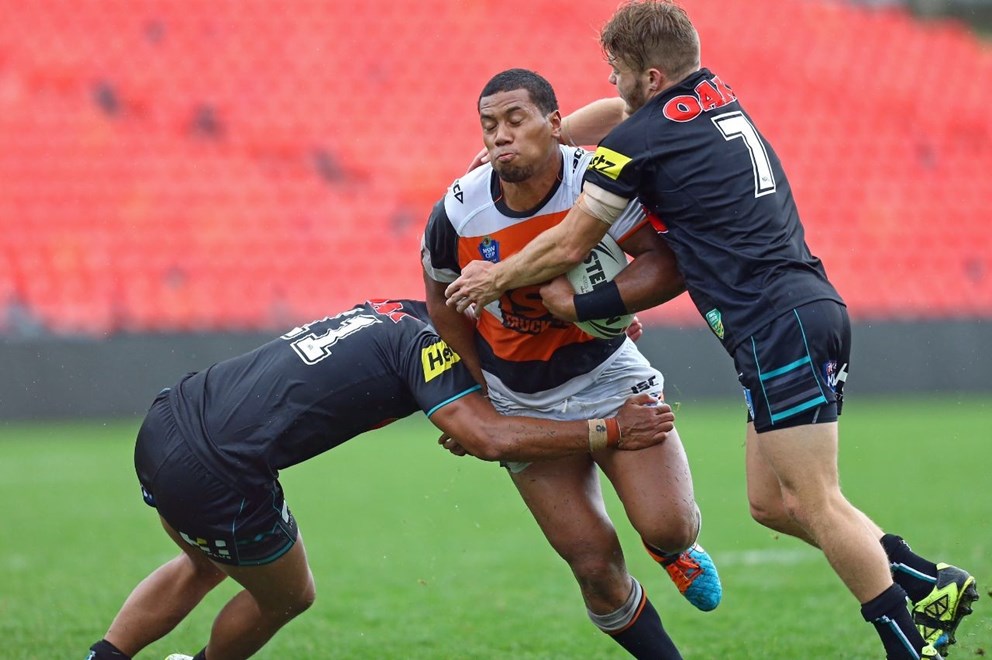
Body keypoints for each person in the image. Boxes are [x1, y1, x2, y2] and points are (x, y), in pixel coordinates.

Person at [442, 3, 978, 659]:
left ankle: (907, 644)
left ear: (651, 77)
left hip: (776, 321)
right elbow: (615, 114)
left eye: (617, 70)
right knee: (772, 504)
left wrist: (498, 279)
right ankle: (926, 581)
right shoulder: (709, 94)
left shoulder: (638, 144)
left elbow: (570, 244)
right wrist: (548, 139)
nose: (611, 82)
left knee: (816, 500)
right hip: (794, 311)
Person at [85, 298, 676, 660]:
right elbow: (489, 437)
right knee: (288, 596)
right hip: (219, 471)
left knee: (205, 564)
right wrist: (609, 429)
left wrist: (584, 338)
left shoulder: (399, 312)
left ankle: (105, 657)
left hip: (167, 421)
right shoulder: (430, 346)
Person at [422, 68, 720, 660]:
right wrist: (476, 393)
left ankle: (674, 551)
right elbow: (441, 304)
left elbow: (665, 264)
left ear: (555, 124)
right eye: (488, 125)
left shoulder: (597, 183)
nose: (500, 135)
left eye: (515, 120)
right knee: (594, 567)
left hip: (608, 374)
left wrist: (595, 305)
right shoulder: (457, 212)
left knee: (668, 526)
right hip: (519, 395)